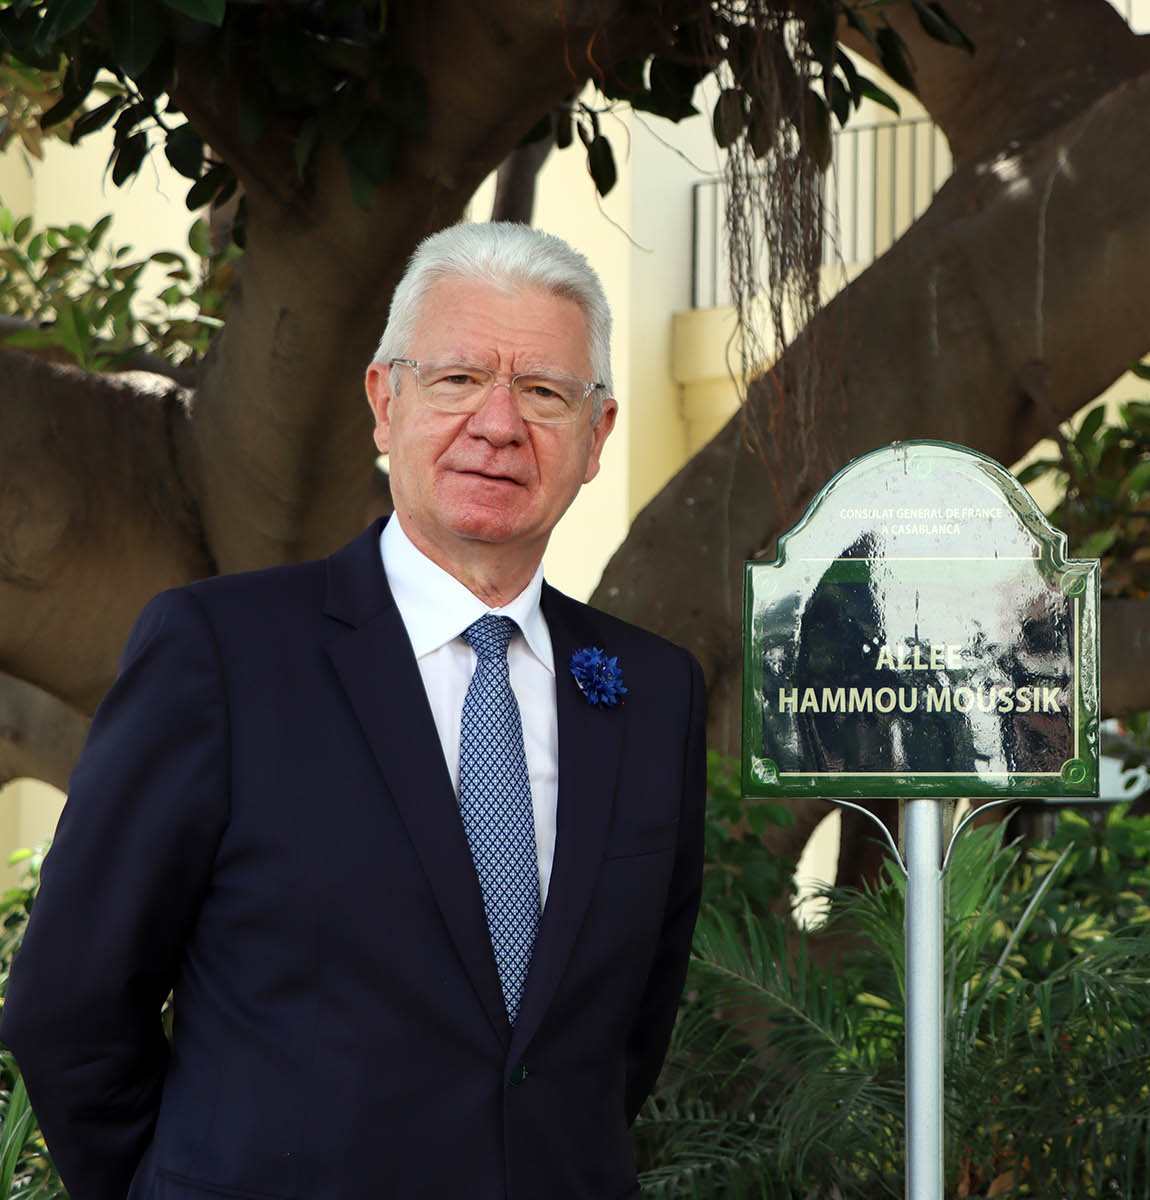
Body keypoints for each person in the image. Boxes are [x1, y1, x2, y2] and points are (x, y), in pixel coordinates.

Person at [2, 222, 707, 1199]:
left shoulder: (652, 693)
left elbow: (620, 1043)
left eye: (545, 392)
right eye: (458, 378)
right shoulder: (220, 656)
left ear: (597, 436)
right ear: (384, 402)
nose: (499, 423)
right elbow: (69, 1009)